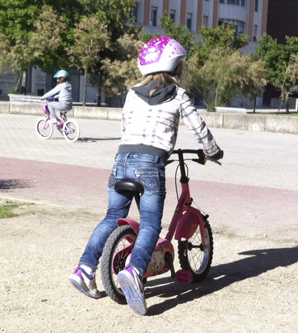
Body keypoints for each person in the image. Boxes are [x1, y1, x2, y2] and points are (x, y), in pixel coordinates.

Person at [69, 36, 223, 315]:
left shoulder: (130, 93)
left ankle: (85, 268)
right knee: (151, 224)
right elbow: (199, 129)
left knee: (110, 217)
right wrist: (213, 152)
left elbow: (126, 126)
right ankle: (135, 271)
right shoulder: (178, 94)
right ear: (175, 65)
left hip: (121, 160)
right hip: (151, 164)